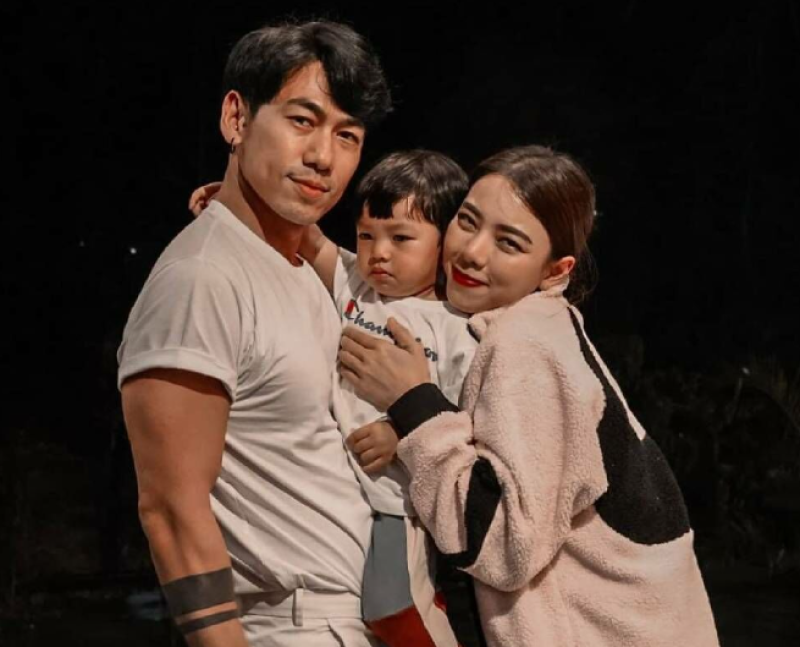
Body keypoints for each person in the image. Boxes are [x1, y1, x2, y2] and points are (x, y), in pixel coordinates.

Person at [338, 145, 721, 647]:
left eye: (509, 243)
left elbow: (504, 544)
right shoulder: (542, 327)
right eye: (467, 221)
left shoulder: (526, 347)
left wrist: (413, 402)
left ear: (556, 270)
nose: (473, 252)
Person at [117, 20, 391, 647]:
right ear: (236, 119)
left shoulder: (303, 270)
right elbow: (171, 509)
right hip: (290, 623)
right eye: (302, 120)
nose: (323, 156)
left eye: (346, 135)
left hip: (360, 619)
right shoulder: (202, 278)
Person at [190, 149, 475, 647]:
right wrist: (234, 202)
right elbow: (309, 236)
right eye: (366, 236)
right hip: (338, 494)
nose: (378, 252)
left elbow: (466, 419)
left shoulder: (456, 329)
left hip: (395, 502)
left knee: (392, 606)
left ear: (446, 242)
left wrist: (400, 430)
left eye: (400, 238)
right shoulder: (356, 286)